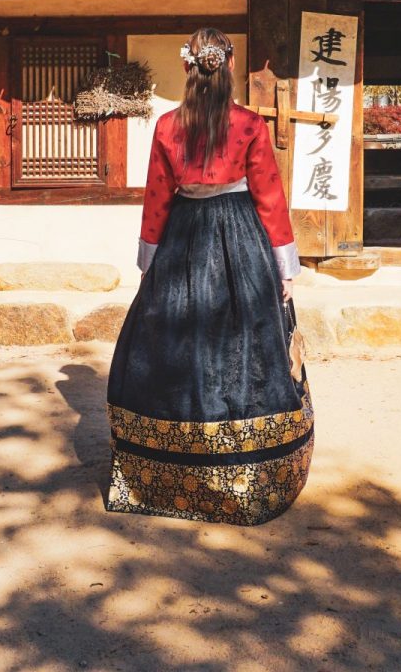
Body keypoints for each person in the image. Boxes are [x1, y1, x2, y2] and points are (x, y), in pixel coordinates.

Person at [106, 27, 311, 526]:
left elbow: (157, 196)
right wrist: (283, 266)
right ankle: (248, 482)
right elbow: (268, 195)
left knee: (175, 340)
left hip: (182, 238)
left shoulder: (168, 126)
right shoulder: (248, 125)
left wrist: (148, 264)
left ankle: (165, 476)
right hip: (242, 238)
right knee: (244, 341)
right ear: (231, 65)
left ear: (187, 67)